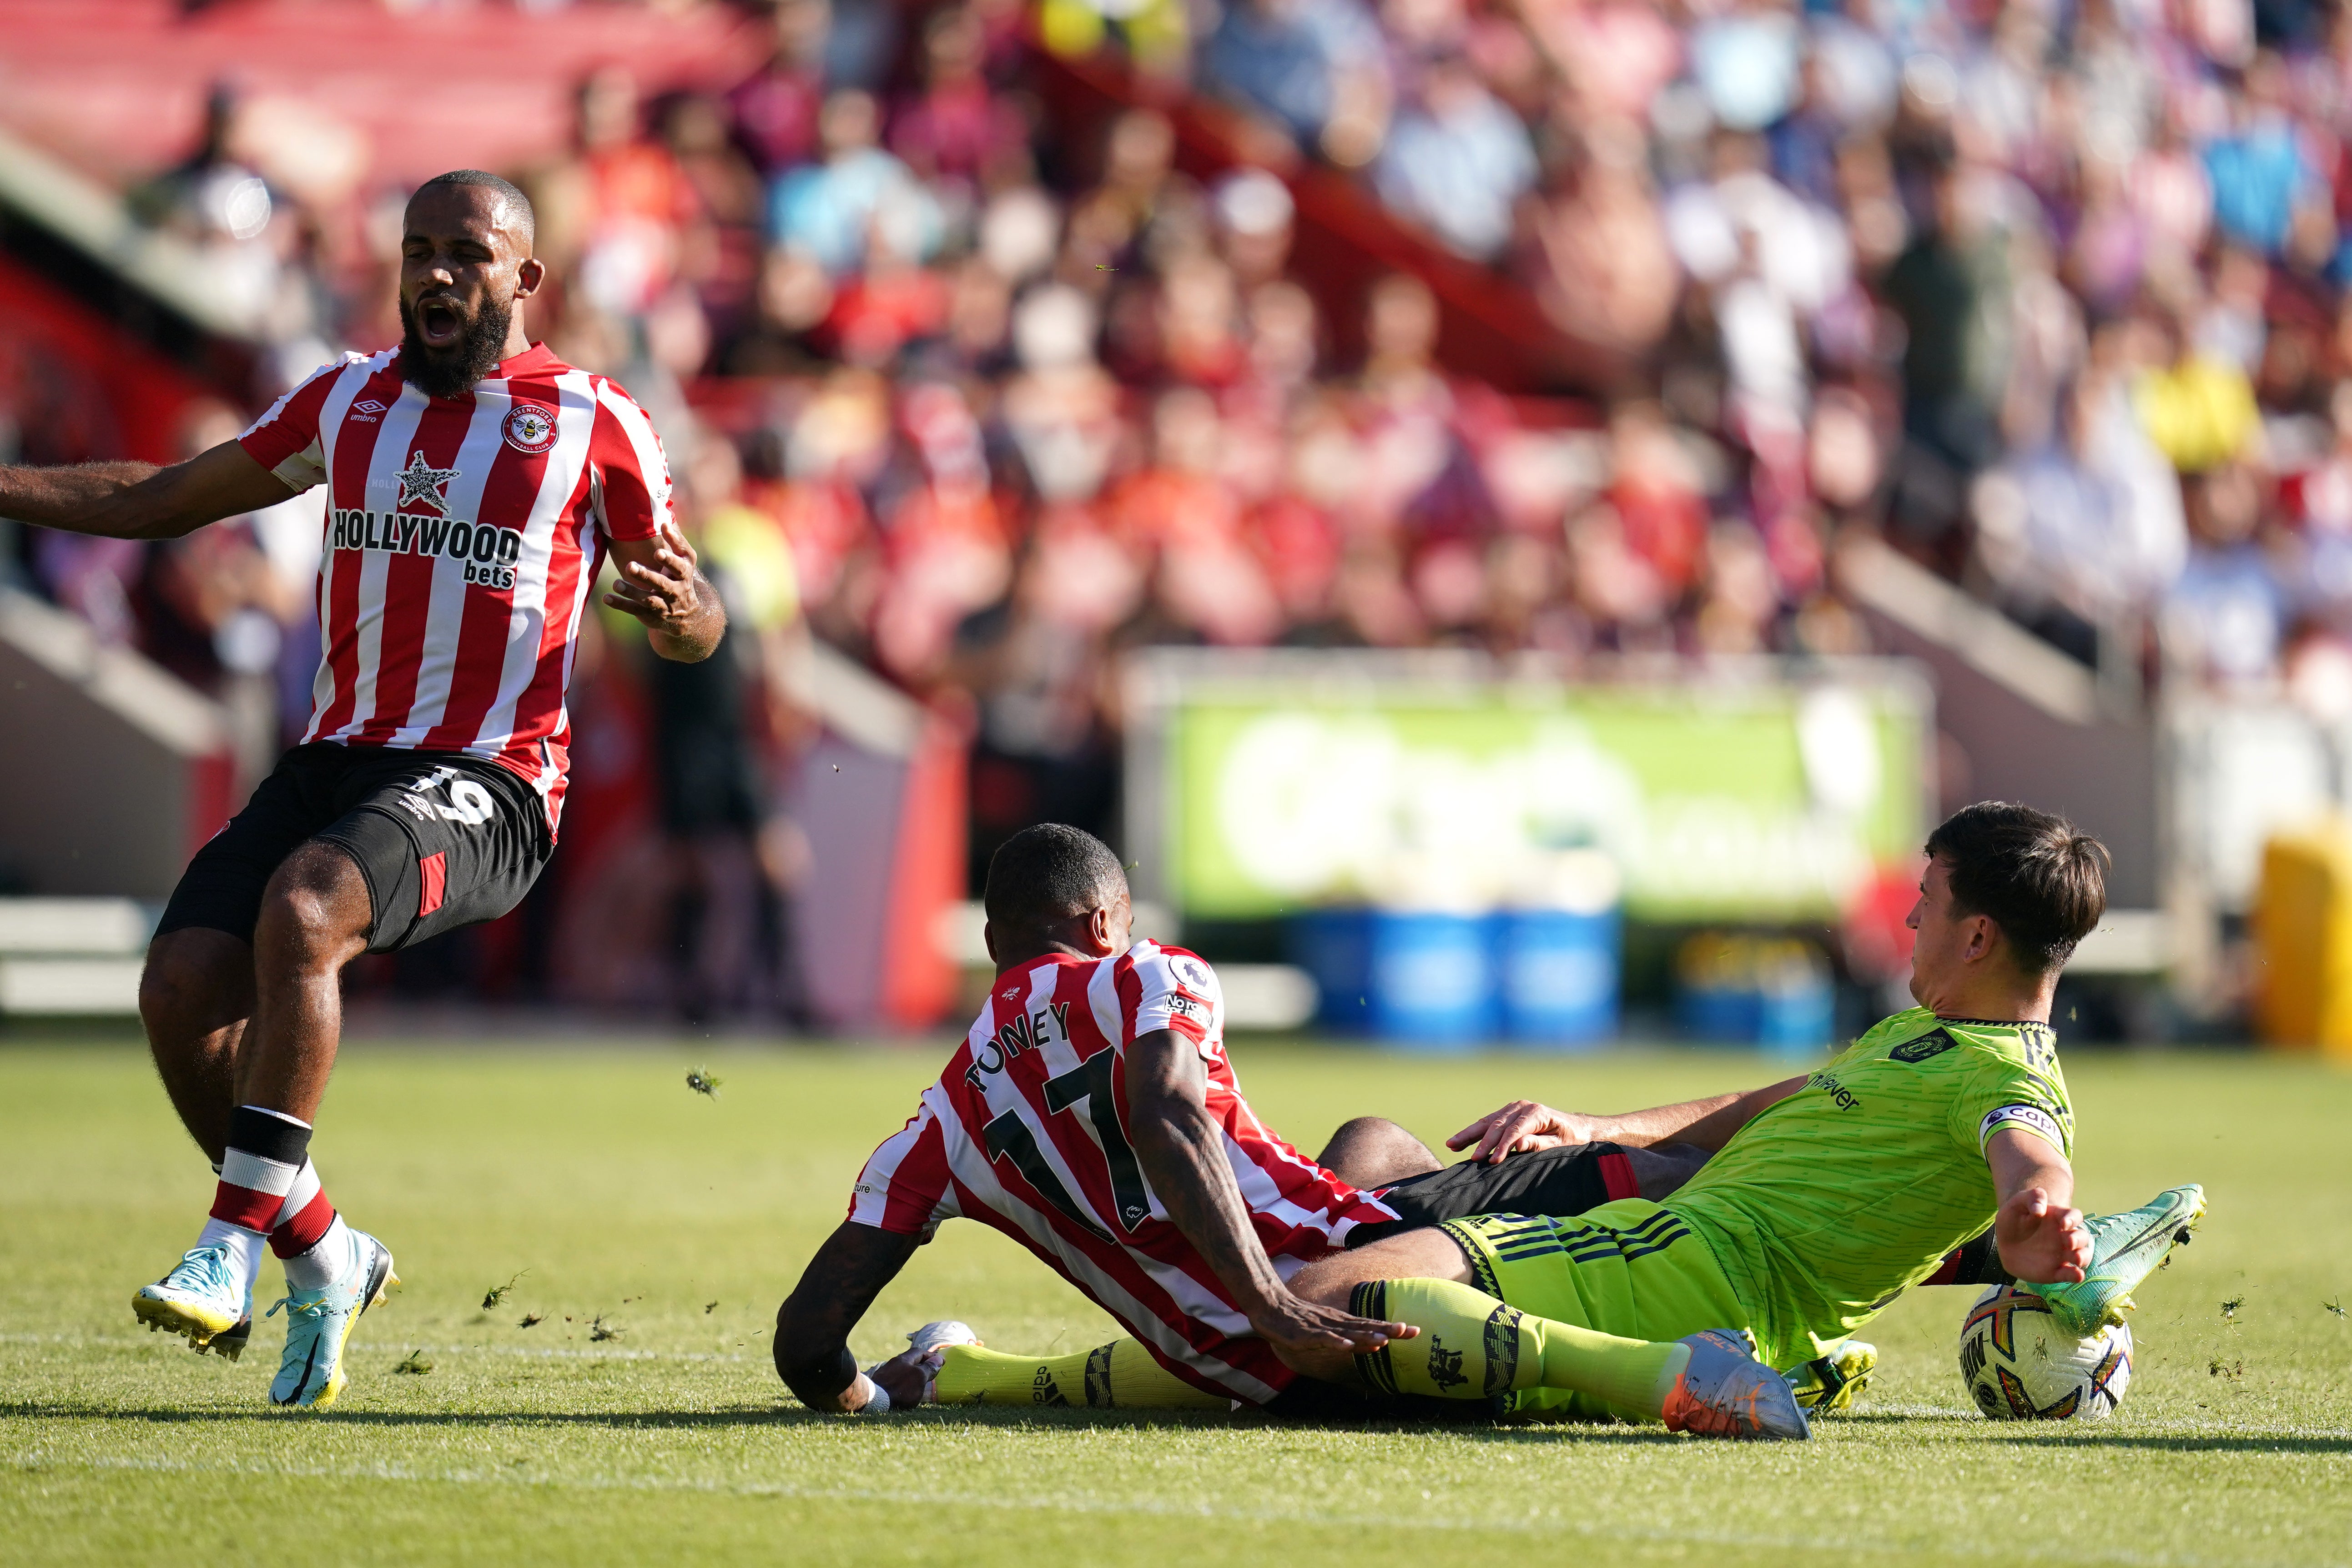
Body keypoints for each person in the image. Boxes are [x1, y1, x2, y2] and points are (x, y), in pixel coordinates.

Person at [0, 170, 727, 1409]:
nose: (437, 276)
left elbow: (696, 614)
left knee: (304, 909)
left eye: (467, 255)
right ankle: (325, 1252)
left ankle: (228, 1247)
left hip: (492, 778)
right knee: (180, 991)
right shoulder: (347, 402)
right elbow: (169, 498)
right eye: (419, 251)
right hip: (339, 760)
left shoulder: (594, 418)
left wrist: (686, 620)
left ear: (523, 281)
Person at [845, 804, 2204, 1438]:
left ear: (1974, 929)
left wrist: (2046, 1226)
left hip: (1694, 1265)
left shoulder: (2006, 1082)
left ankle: (1674, 1382)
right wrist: (1591, 1116)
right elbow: (1764, 1110)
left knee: (1308, 1309)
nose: (1903, 915)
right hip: (1681, 1226)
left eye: (1923, 899)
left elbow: (2027, 1158)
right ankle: (965, 1375)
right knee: (1359, 1202)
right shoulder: (1935, 1032)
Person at [771, 822, 1771, 1427]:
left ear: (993, 942)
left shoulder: (944, 1119)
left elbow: (805, 1339)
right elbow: (1166, 1115)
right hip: (1329, 1297)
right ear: (1105, 919)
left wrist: (864, 1399)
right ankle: (1810, 1287)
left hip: (1253, 1378)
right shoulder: (1145, 974)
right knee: (1671, 1167)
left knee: (1373, 1138)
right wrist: (1273, 1302)